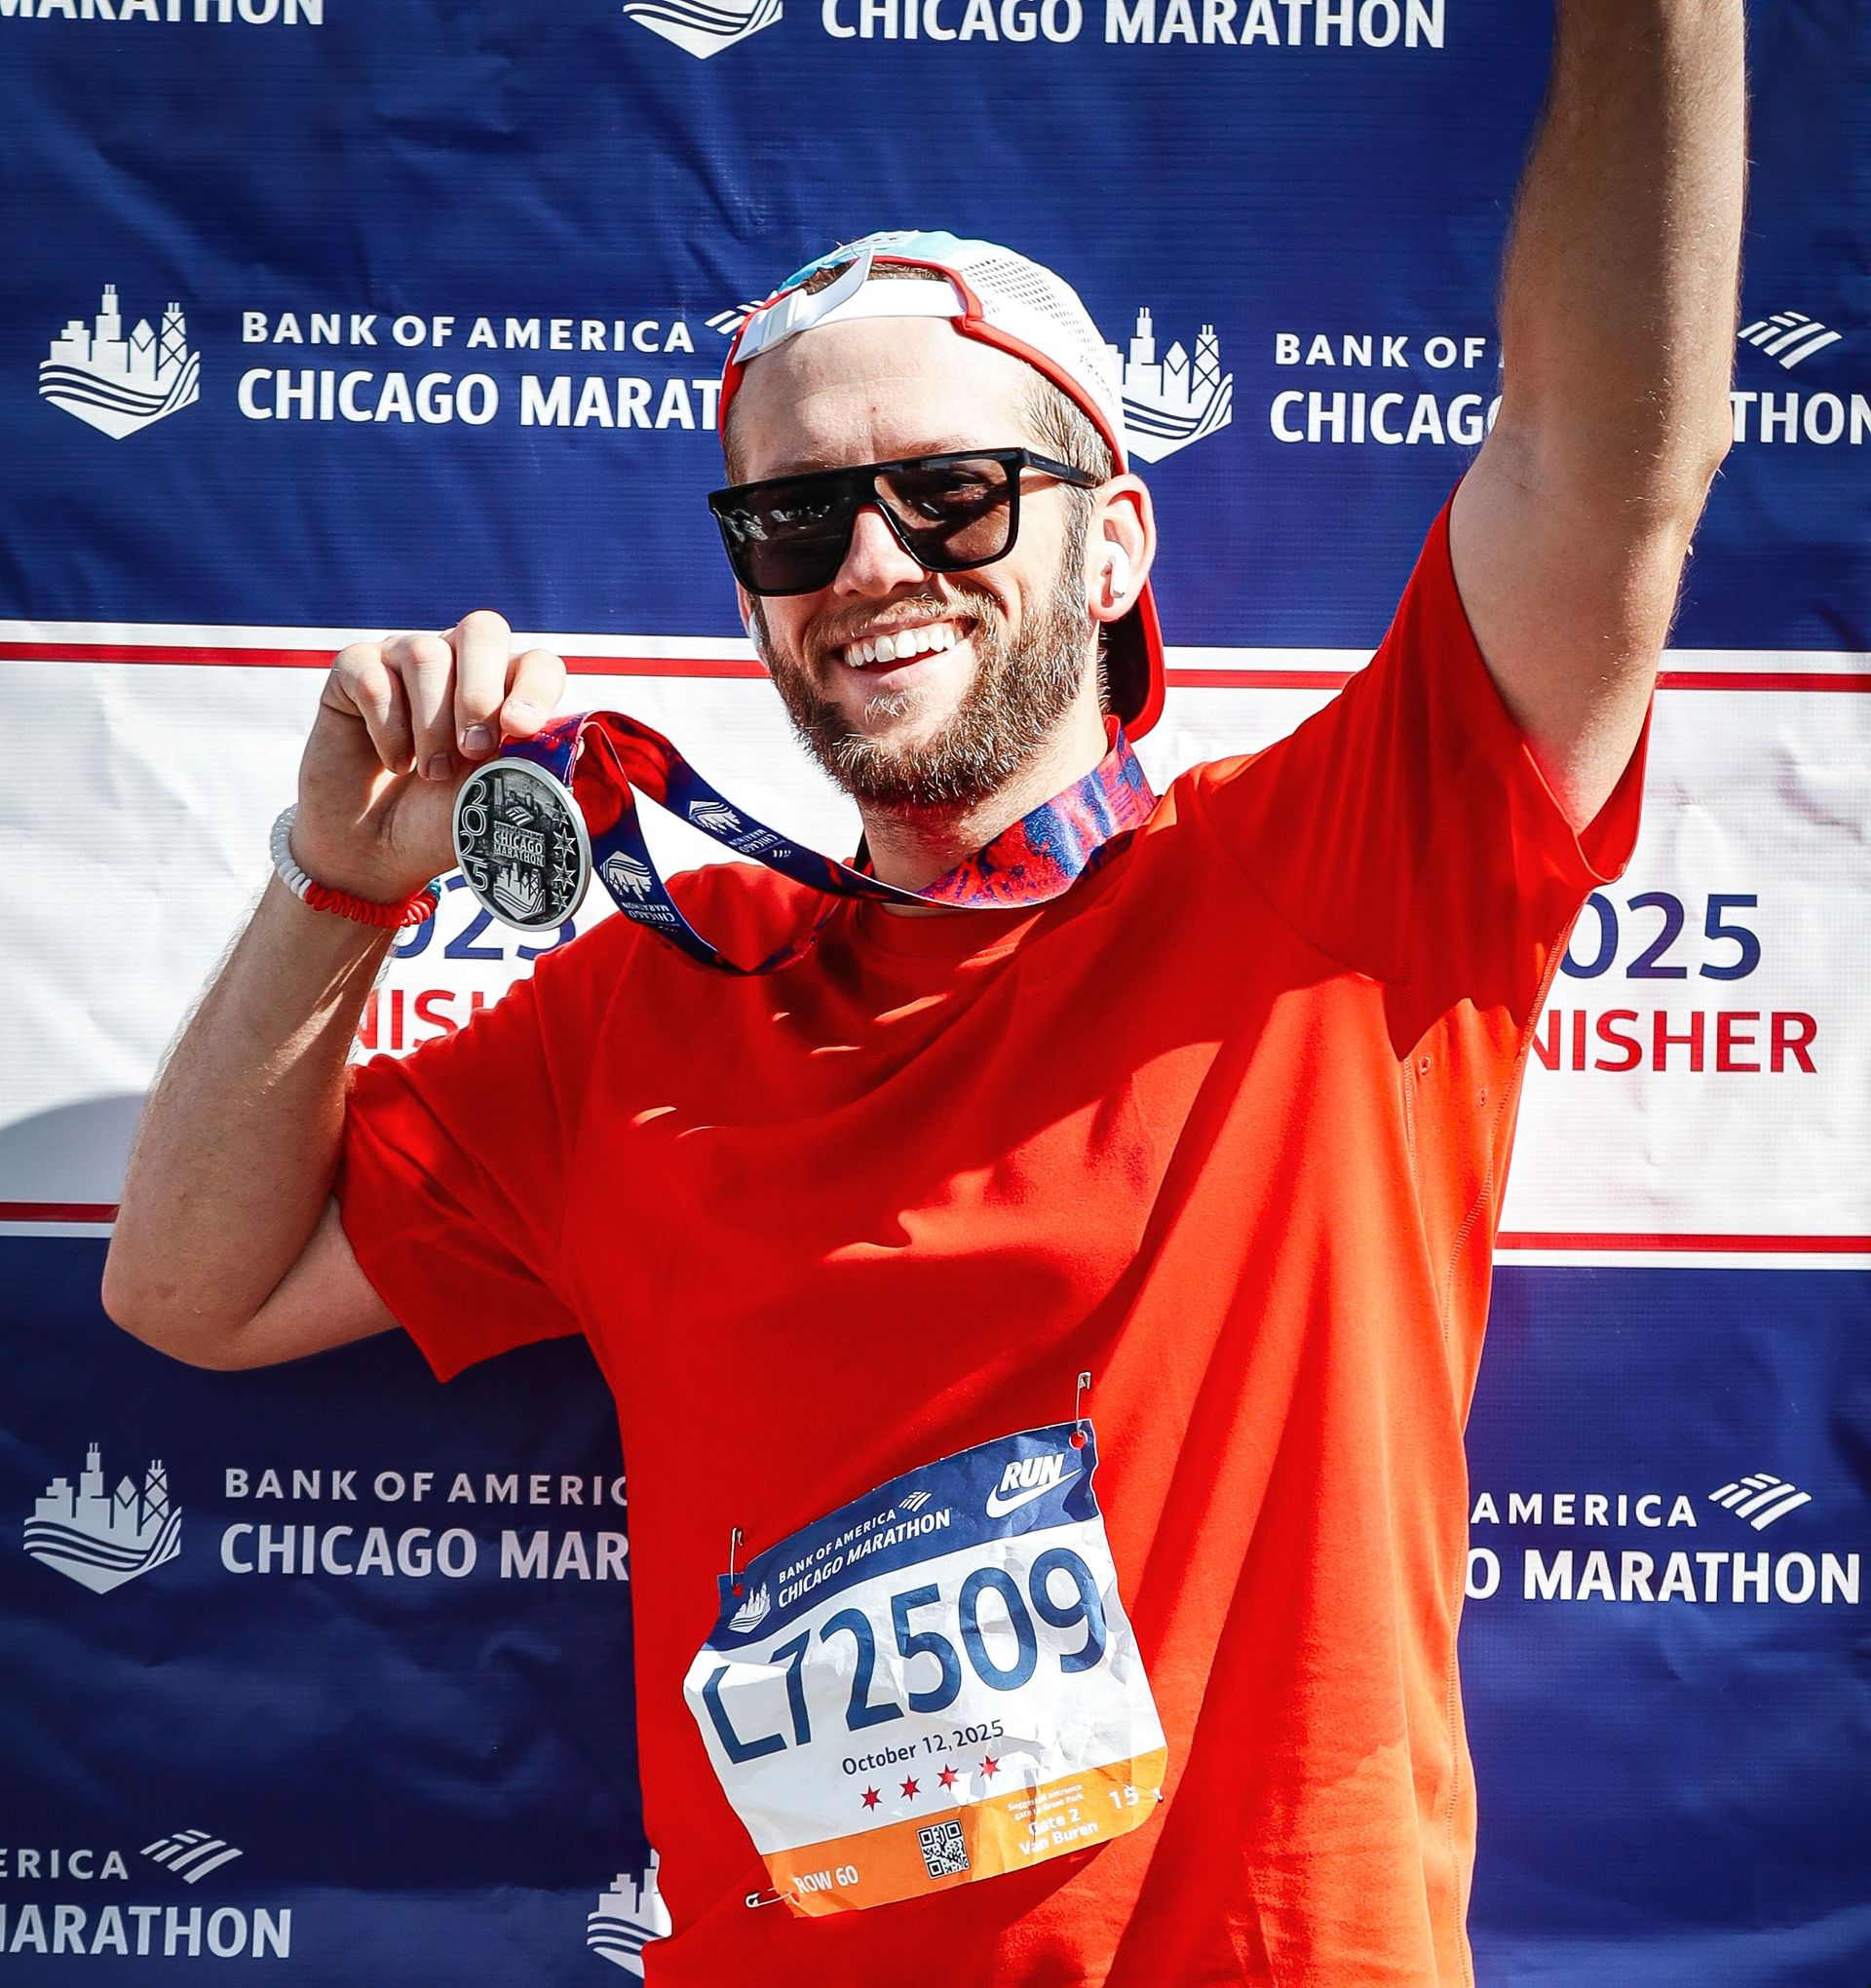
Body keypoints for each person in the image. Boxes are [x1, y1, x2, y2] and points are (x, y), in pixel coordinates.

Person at [104, 5, 1745, 1979]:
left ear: (1115, 540)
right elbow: (185, 1290)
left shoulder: (1335, 885)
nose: (870, 562)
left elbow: (1607, 456)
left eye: (954, 495)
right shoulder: (649, 1008)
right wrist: (332, 892)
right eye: (796, 518)